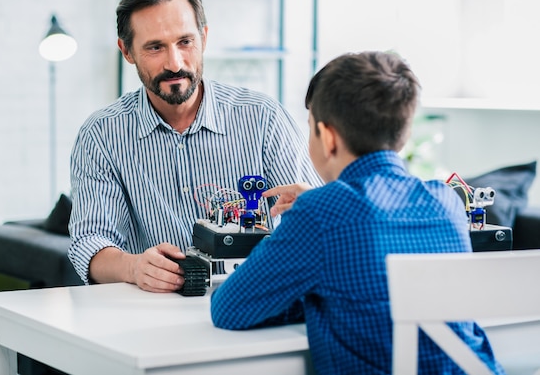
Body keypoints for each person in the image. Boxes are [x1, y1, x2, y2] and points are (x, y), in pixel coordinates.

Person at [211, 51, 504, 374]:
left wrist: (312, 289)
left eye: (311, 128)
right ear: (402, 134)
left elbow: (228, 308)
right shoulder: (446, 203)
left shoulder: (319, 214)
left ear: (329, 138)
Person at [67, 0, 321, 293]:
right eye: (155, 48)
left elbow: (318, 219)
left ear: (204, 37)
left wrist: (315, 207)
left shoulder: (264, 118)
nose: (175, 63)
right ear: (127, 51)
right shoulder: (101, 136)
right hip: (157, 316)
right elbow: (89, 243)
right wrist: (133, 267)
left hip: (259, 303)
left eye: (185, 42)